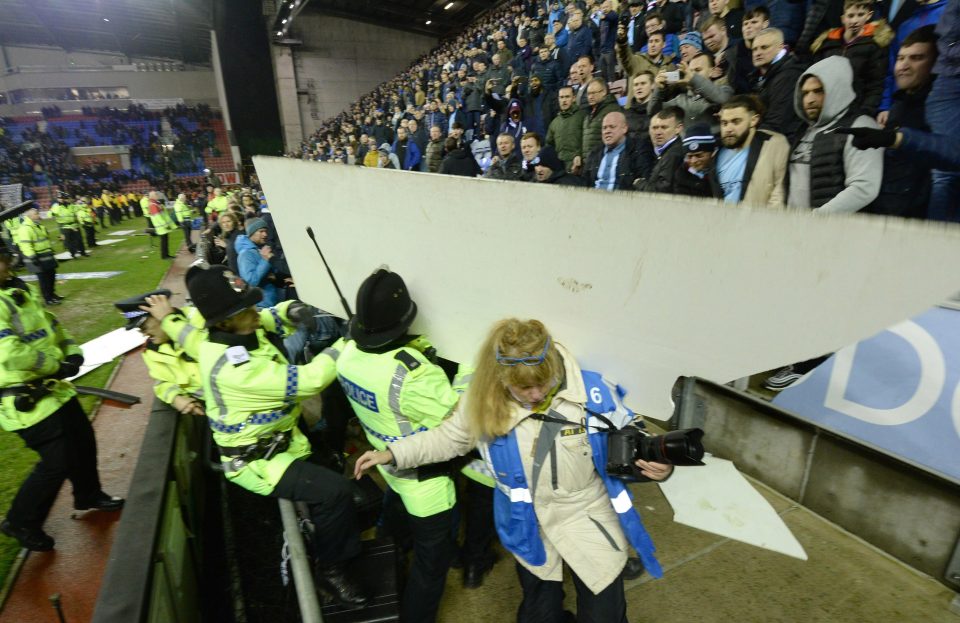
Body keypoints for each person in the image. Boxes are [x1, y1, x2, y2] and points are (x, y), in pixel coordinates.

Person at [353, 318, 673, 622]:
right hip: (527, 521)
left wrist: (656, 467)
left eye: (542, 385)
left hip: (586, 513)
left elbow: (634, 434)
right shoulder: (483, 400)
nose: (535, 396)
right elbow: (449, 438)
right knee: (538, 615)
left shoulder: (594, 394)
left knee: (604, 614)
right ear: (503, 379)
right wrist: (393, 453)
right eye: (524, 390)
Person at [164, 264, 368, 606]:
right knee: (335, 494)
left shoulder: (236, 333)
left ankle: (331, 540)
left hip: (283, 442)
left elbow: (272, 315)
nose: (256, 312)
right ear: (225, 321)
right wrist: (348, 340)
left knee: (340, 488)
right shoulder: (235, 369)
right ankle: (331, 573)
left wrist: (294, 310)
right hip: (258, 462)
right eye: (247, 309)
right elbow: (310, 380)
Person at [328, 268, 459, 622]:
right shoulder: (414, 374)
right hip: (428, 486)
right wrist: (466, 372)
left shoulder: (347, 354)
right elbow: (459, 423)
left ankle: (391, 553)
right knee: (431, 569)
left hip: (388, 466)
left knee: (393, 523)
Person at [0, 243, 123, 552]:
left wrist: (72, 353)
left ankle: (89, 494)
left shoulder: (17, 293)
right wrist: (57, 365)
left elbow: (53, 326)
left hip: (53, 390)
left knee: (83, 441)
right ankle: (21, 521)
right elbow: (10, 353)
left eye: (2, 260)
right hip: (26, 402)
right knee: (57, 462)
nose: (5, 266)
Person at [788, 56, 883, 212]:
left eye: (818, 91)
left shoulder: (860, 126)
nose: (809, 99)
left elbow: (864, 187)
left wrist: (818, 219)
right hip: (795, 227)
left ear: (837, 89)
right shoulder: (802, 130)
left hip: (835, 231)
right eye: (805, 93)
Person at [114, 289, 204, 417]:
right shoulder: (151, 351)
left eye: (143, 327)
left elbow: (209, 352)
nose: (144, 334)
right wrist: (175, 397)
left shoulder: (200, 319)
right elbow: (162, 382)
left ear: (159, 315)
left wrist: (169, 321)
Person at [810, 0, 893, 116]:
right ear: (843, 18)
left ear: (869, 15)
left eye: (860, 15)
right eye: (850, 16)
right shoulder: (826, 43)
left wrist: (865, 112)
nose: (854, 21)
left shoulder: (875, 45)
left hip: (856, 111)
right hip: (826, 110)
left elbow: (875, 85)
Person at [715, 96, 790, 207]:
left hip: (759, 222)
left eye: (736, 122)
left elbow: (779, 193)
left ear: (753, 120)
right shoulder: (718, 152)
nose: (728, 129)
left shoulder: (774, 144)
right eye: (724, 123)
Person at [750, 28, 805, 142]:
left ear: (781, 47)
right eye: (754, 49)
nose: (758, 53)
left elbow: (778, 120)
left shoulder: (789, 74)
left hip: (783, 141)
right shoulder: (757, 77)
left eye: (764, 47)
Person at [582, 111, 654, 190]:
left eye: (612, 127)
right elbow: (585, 182)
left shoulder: (638, 150)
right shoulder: (594, 153)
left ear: (624, 128)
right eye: (604, 128)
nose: (607, 131)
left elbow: (643, 181)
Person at [236, 218, 287, 309]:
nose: (265, 234)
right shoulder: (245, 254)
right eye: (261, 231)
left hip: (272, 301)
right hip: (262, 305)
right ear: (252, 233)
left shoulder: (259, 249)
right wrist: (265, 260)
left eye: (266, 231)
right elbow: (251, 281)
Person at [17, 207, 62, 305]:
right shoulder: (25, 228)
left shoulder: (38, 226)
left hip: (46, 256)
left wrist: (50, 250)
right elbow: (25, 245)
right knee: (44, 280)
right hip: (37, 258)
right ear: (30, 216)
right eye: (36, 214)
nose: (38, 215)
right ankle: (48, 299)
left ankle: (52, 294)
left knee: (51, 276)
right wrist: (32, 257)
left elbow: (45, 240)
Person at [641, 106, 685, 193]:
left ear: (678, 128)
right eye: (655, 128)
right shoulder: (662, 152)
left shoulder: (674, 154)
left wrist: (641, 184)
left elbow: (662, 190)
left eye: (664, 127)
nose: (658, 132)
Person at [670, 126, 721, 197]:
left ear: (712, 152)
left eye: (699, 155)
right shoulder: (681, 176)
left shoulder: (722, 170)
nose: (693, 161)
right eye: (689, 156)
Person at [546, 86, 586, 173]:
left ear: (574, 98)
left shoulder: (582, 116)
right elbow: (549, 145)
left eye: (567, 97)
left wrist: (580, 155)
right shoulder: (554, 122)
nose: (564, 100)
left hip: (579, 167)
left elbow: (588, 141)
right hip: (559, 169)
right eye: (561, 97)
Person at [49, 193, 87, 259]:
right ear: (57, 199)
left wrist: (83, 202)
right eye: (59, 198)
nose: (61, 199)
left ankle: (83, 252)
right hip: (65, 226)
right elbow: (50, 214)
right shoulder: (56, 206)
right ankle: (73, 254)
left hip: (74, 225)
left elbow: (80, 207)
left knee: (79, 239)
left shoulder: (71, 205)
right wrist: (54, 211)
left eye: (62, 198)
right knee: (69, 241)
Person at [147, 191, 176, 259]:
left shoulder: (155, 203)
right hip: (161, 226)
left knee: (165, 240)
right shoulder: (153, 205)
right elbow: (158, 217)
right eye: (156, 194)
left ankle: (166, 255)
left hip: (162, 226)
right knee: (164, 241)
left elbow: (162, 213)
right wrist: (165, 225)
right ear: (153, 196)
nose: (157, 195)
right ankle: (164, 256)